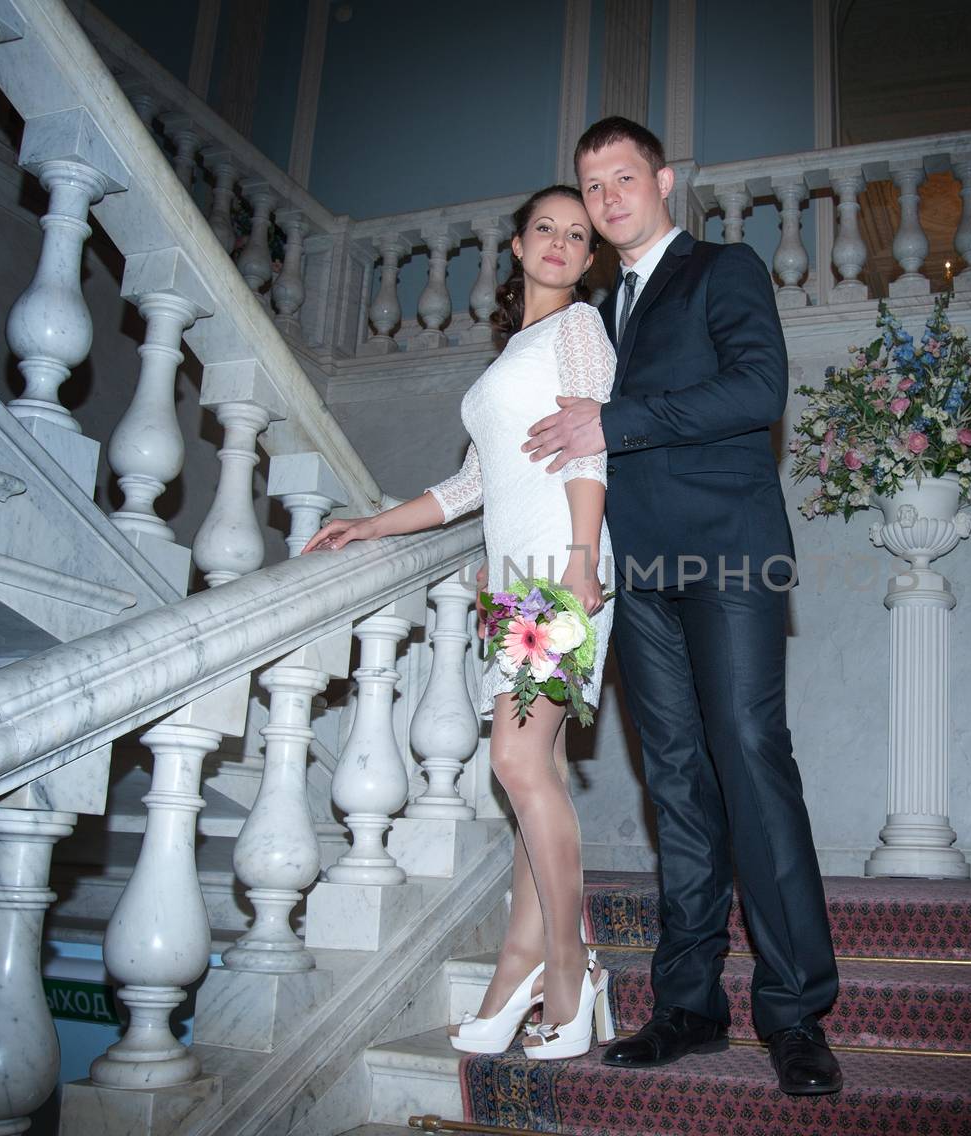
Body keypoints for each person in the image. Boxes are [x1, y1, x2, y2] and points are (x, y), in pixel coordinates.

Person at [524, 117, 842, 1095]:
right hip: (633, 573)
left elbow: (758, 388)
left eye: (625, 176)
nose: (610, 195)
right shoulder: (592, 312)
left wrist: (612, 419)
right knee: (674, 782)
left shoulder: (722, 268)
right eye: (593, 182)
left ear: (662, 180)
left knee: (749, 754)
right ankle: (689, 1003)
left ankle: (793, 1011)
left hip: (730, 554)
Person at [303, 185, 615, 1061]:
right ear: (516, 248)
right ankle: (520, 966)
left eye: (577, 235)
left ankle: (572, 966)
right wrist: (372, 523)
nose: (559, 243)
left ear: (589, 259)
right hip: (510, 582)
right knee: (535, 774)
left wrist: (583, 560)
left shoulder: (578, 332)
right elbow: (470, 487)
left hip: (562, 568)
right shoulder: (512, 352)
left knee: (516, 762)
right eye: (544, 229)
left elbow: (589, 446)